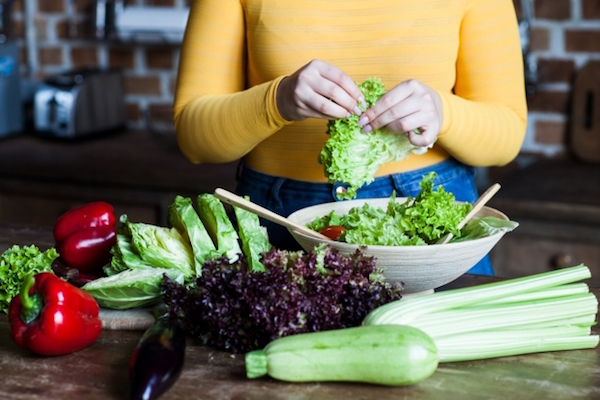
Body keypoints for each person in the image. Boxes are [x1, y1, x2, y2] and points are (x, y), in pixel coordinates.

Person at [172, 0, 527, 276]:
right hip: (278, 217)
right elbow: (193, 137)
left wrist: (443, 112)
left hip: (427, 220)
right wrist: (275, 100)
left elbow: (507, 135)